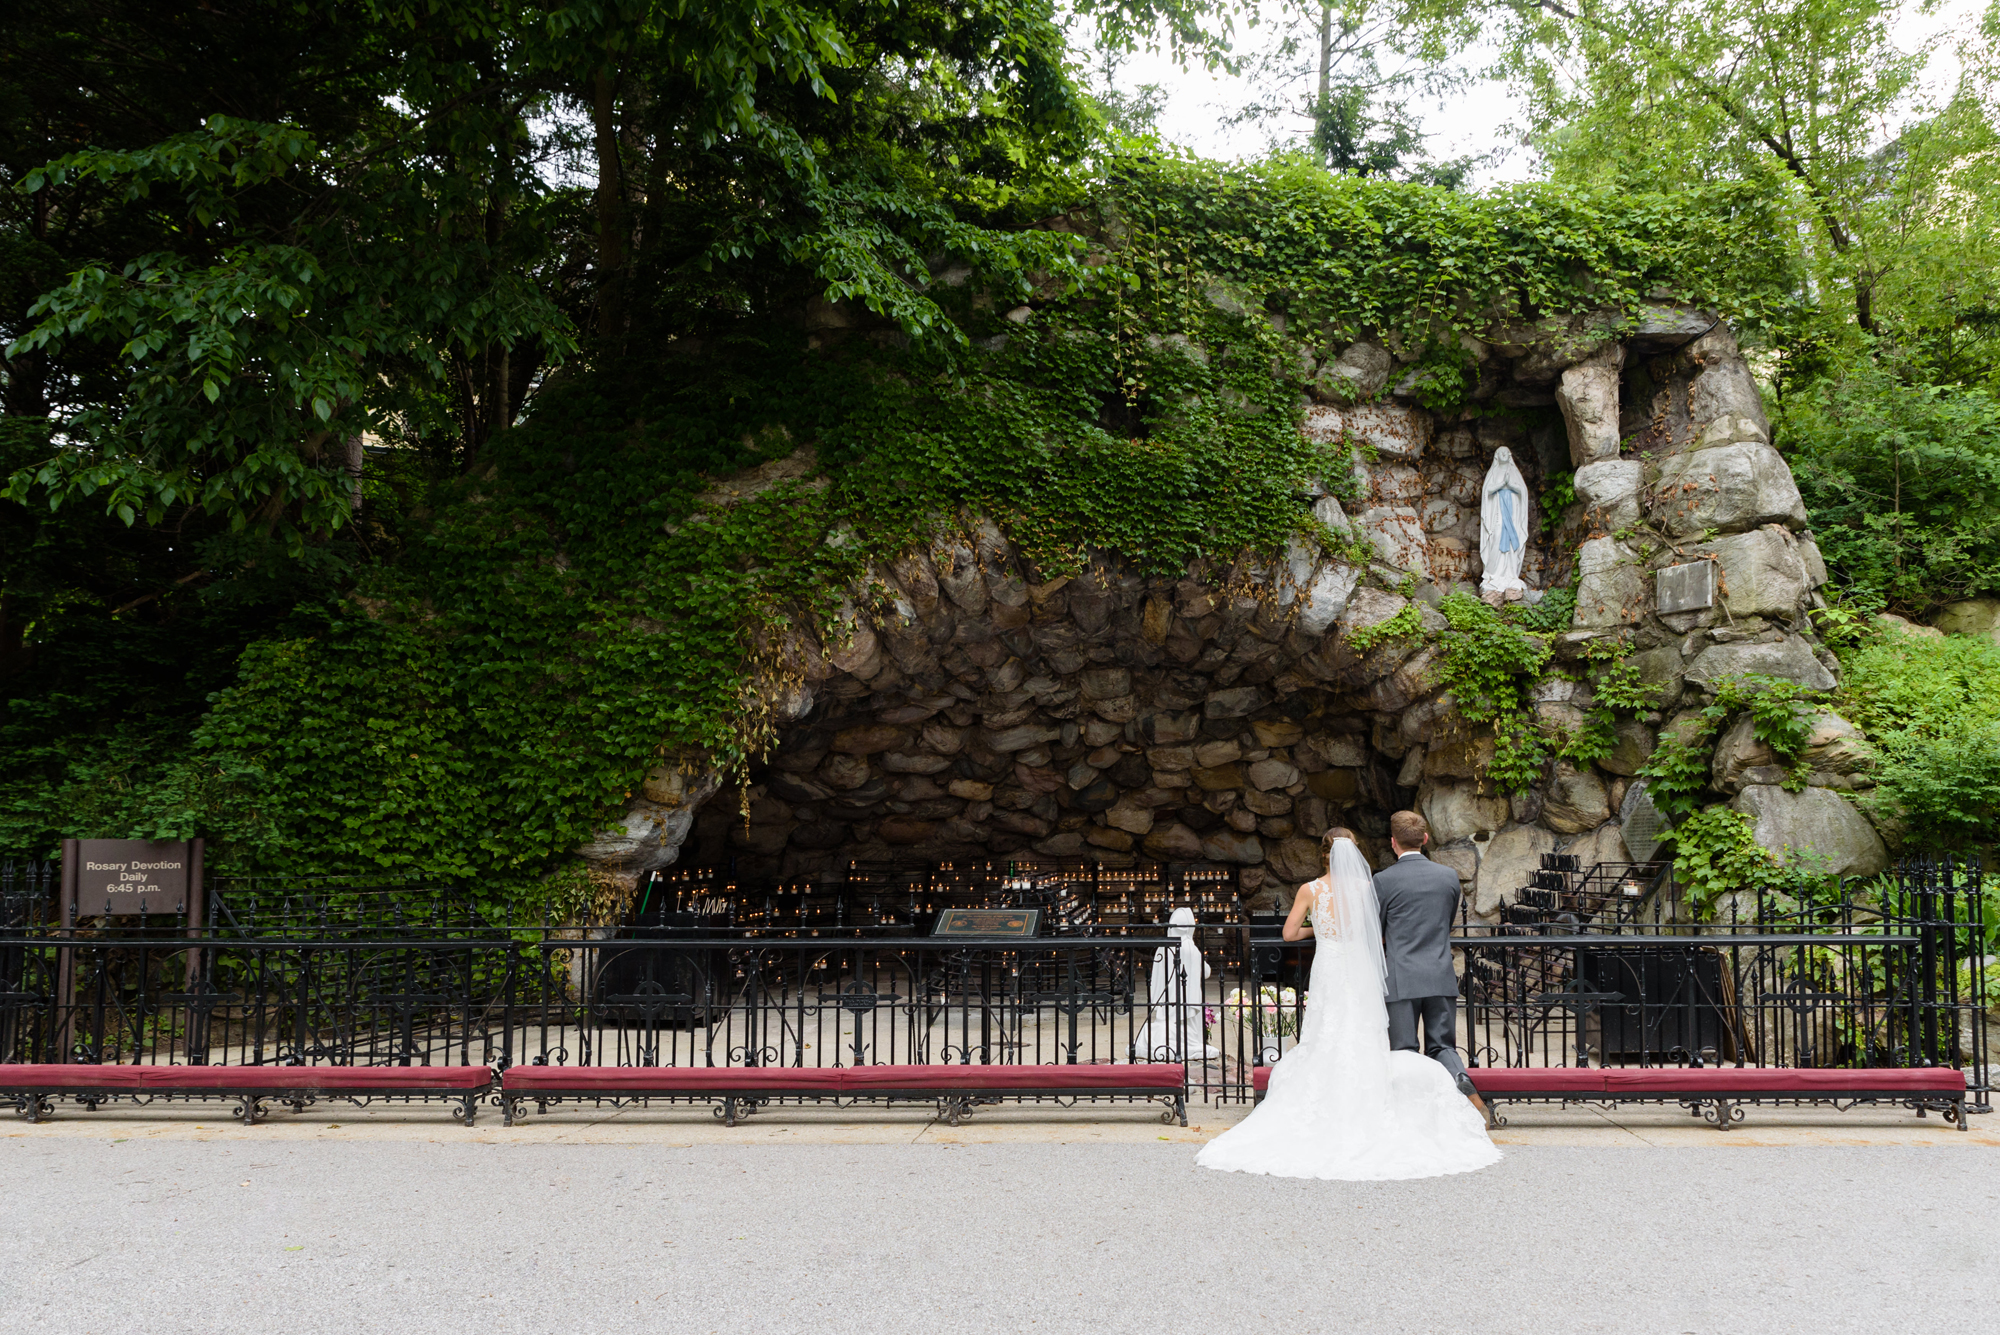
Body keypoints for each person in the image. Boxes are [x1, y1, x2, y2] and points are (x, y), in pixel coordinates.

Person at [1194, 824, 1499, 1181]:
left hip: (1330, 967)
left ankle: (1327, 1103)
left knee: (1328, 1032)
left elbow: (1289, 933)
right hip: (1361, 969)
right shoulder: (1368, 888)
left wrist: (1318, 930)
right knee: (1365, 1031)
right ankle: (1380, 1101)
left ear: (1323, 853)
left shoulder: (1311, 890)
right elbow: (1380, 929)